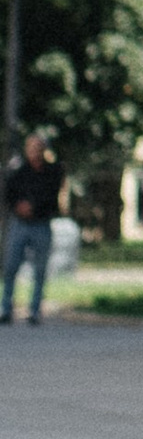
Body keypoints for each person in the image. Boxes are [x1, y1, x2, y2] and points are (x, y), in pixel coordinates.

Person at [2, 127, 62, 322]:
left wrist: (34, 207)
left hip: (41, 223)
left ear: (43, 149)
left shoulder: (52, 171)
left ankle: (35, 310)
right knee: (11, 266)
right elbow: (8, 193)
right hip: (20, 223)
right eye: (31, 147)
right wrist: (19, 207)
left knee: (40, 269)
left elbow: (52, 197)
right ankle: (6, 307)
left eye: (38, 147)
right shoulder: (18, 170)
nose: (34, 151)